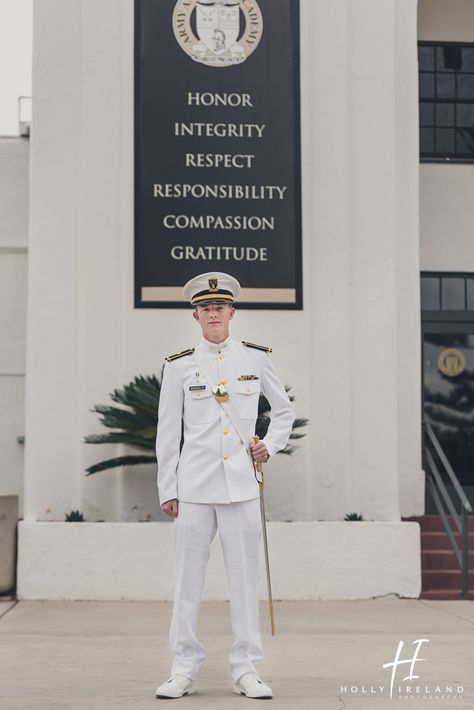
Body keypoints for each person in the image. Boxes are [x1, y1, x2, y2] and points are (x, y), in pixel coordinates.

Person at [155, 271, 294, 700]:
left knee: (244, 581)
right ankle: (183, 667)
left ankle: (246, 668)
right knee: (187, 583)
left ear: (232, 312)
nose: (212, 314)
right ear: (196, 317)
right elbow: (168, 431)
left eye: (219, 307)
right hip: (194, 488)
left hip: (240, 490)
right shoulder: (179, 365)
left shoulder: (254, 359)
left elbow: (284, 411)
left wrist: (268, 446)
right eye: (205, 309)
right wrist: (168, 488)